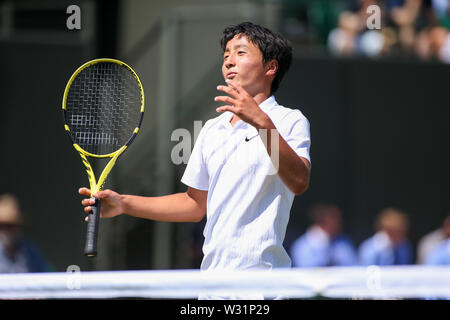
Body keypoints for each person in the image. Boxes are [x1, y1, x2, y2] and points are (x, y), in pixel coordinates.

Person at [79, 22, 311, 297]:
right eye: (226, 55)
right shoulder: (212, 129)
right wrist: (124, 204)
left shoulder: (289, 120)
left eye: (240, 52)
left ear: (270, 67)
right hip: (211, 287)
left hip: (264, 287)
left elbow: (298, 181)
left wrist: (261, 123)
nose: (229, 61)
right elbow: (194, 204)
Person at [290, 203, 358, 267]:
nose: (339, 223)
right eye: (333, 218)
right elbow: (306, 272)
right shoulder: (302, 246)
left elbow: (353, 266)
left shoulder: (344, 241)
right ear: (322, 221)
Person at [0, 194, 49, 273]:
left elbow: (42, 276)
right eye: (3, 225)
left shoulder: (30, 251)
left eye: (12, 225)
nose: (7, 230)